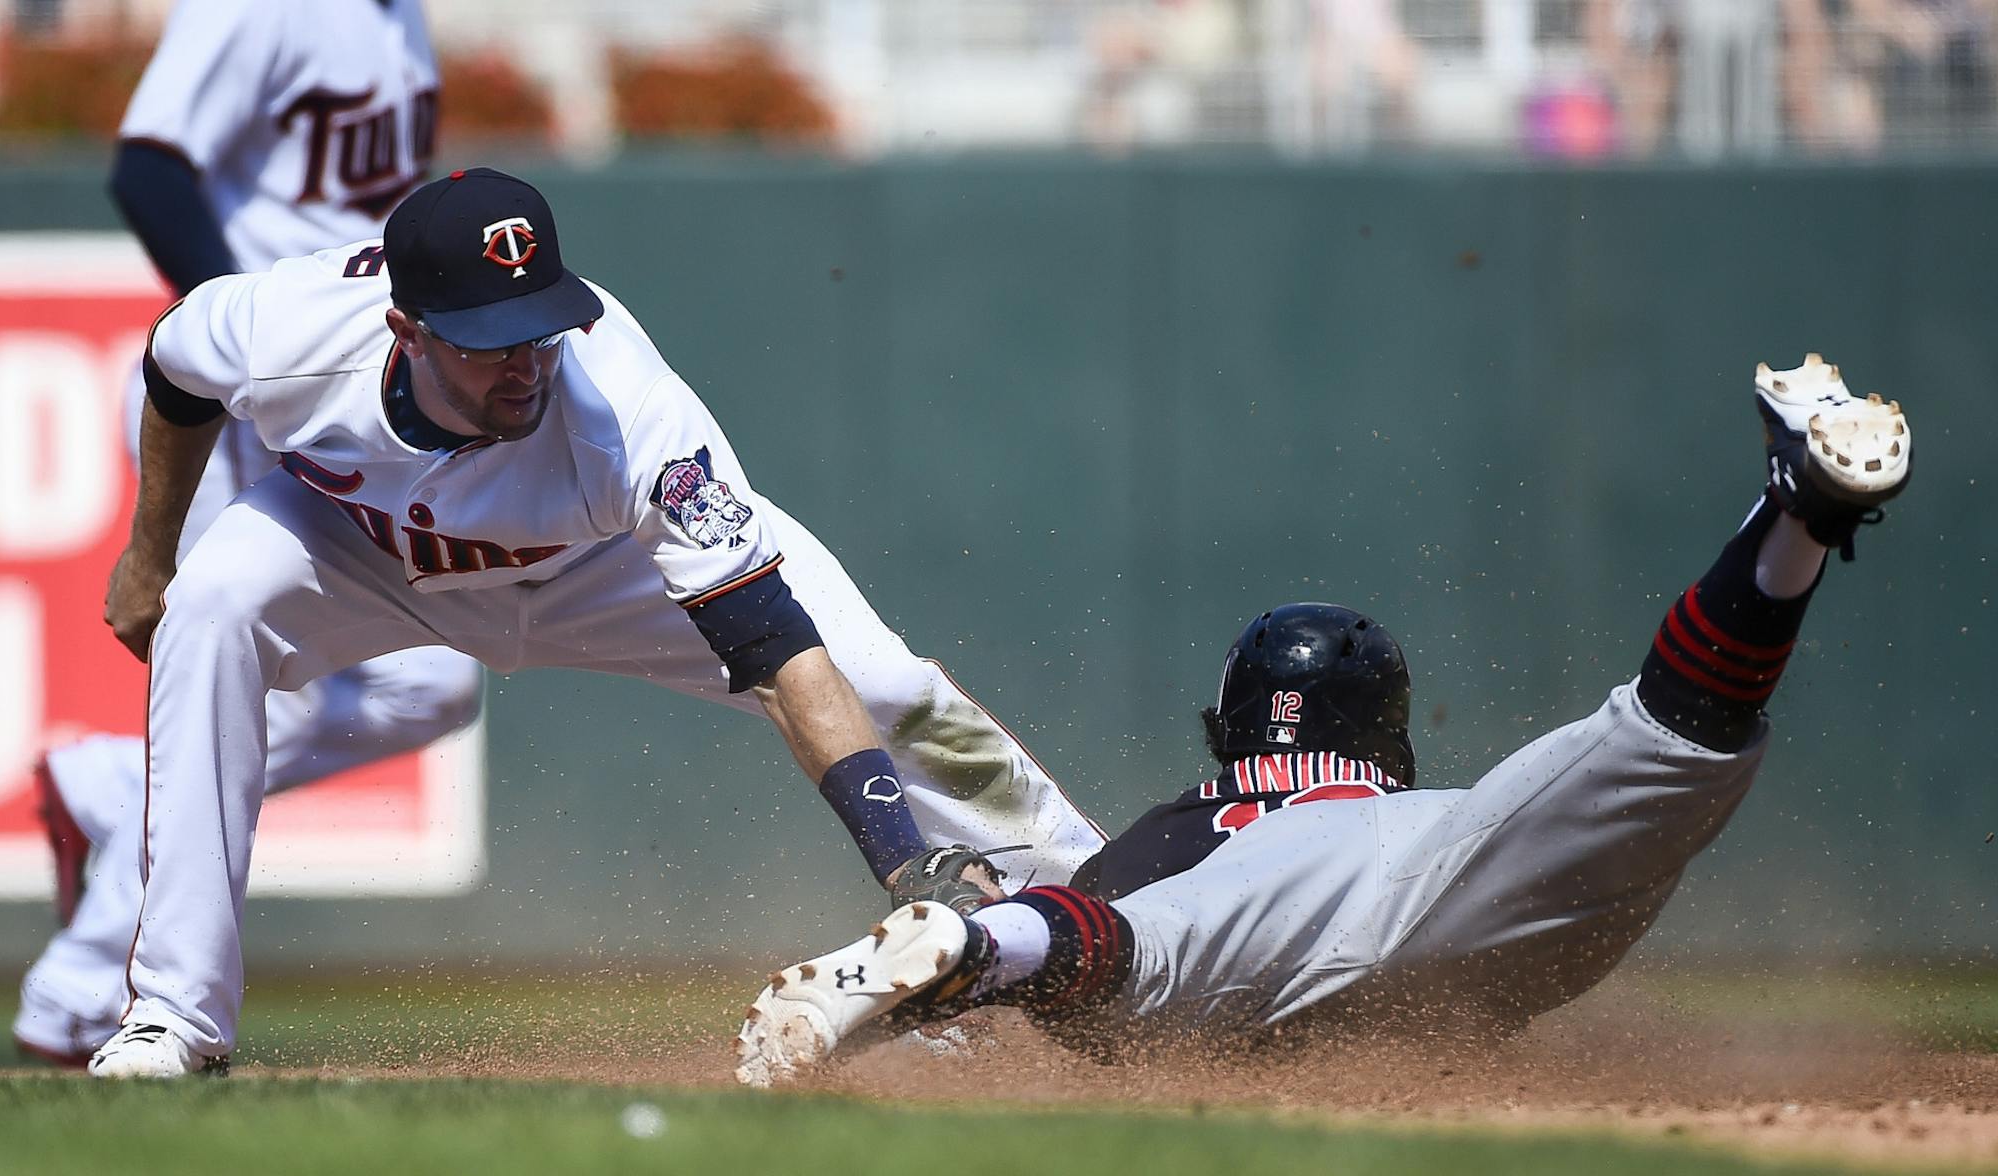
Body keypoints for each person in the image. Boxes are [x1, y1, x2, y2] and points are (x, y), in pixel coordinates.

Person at [79, 166, 1107, 1079]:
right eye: (488, 343)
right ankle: (176, 1019)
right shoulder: (284, 332)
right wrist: (151, 552)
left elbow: (776, 651)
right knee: (209, 611)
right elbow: (176, 375)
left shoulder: (630, 417)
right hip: (366, 550)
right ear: (408, 329)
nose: (524, 363)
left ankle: (1121, 922)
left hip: (606, 568)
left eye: (539, 328)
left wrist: (899, 856)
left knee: (887, 690)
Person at [736, 354, 1913, 1087]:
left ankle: (966, 945)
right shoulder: (1418, 811)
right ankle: (1796, 522)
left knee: (1135, 956)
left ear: (1231, 729)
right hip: (1463, 879)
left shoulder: (1190, 821)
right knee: (1666, 744)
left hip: (1249, 919)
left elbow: (1106, 966)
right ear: (1388, 733)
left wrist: (967, 995)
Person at [17, 0, 467, 1069]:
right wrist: (244, 342)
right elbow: (151, 169)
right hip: (251, 398)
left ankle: (113, 796)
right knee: (250, 670)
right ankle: (81, 984)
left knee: (428, 687)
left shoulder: (401, 20)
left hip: (343, 389)